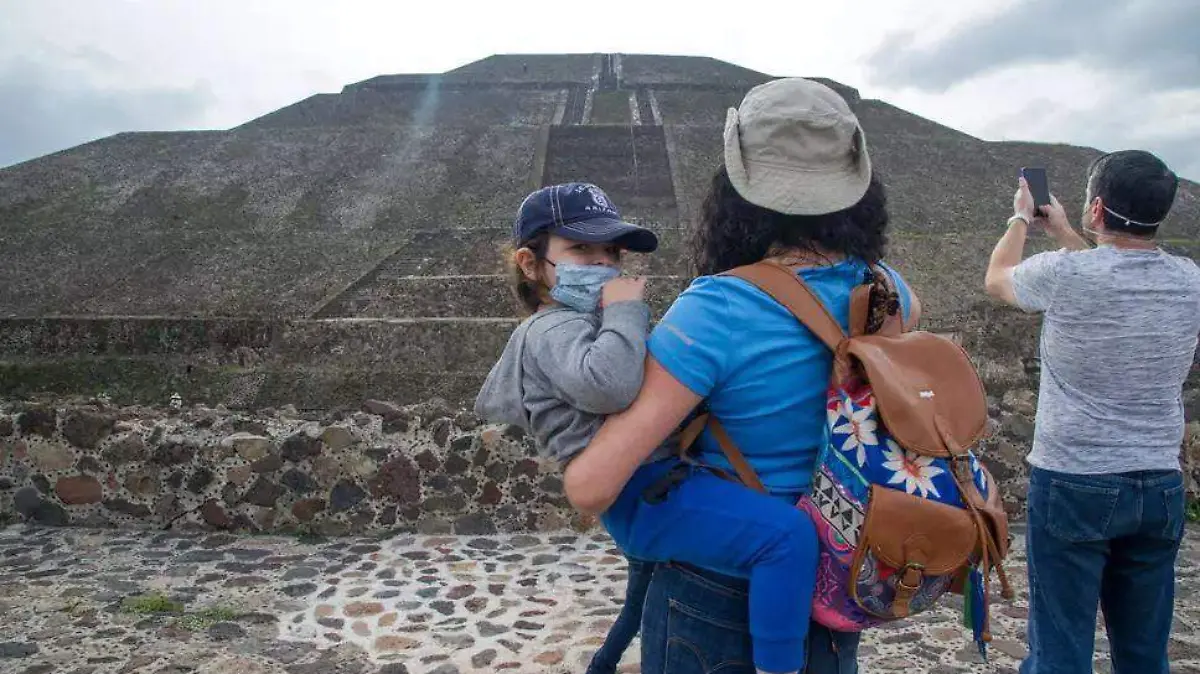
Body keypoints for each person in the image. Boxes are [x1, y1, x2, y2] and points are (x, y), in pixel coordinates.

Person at [561, 77, 921, 674]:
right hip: (835, 580)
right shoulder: (890, 291)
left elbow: (593, 486)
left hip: (719, 598)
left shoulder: (718, 309)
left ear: (737, 190)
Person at [474, 176, 826, 674]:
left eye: (611, 252)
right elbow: (609, 387)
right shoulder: (549, 328)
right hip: (639, 491)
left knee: (634, 611)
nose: (602, 264)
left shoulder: (582, 322)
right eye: (580, 249)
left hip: (654, 482)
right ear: (531, 264)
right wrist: (626, 309)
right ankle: (780, 666)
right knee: (787, 536)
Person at [983, 150, 1199, 674]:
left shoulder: (1064, 275)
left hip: (1074, 482)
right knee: (1145, 652)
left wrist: (1021, 216)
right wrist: (1065, 229)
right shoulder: (1190, 279)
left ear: (1097, 208)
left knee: (1061, 649)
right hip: (1158, 484)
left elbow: (998, 277)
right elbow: (1115, 275)